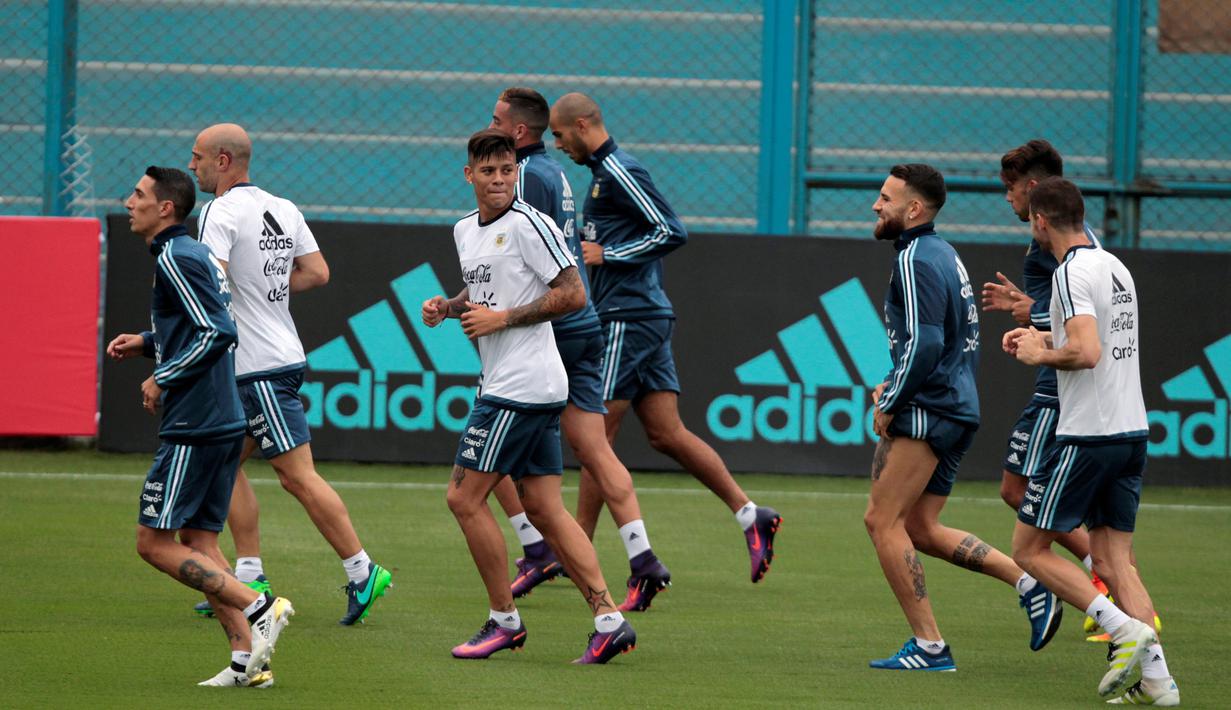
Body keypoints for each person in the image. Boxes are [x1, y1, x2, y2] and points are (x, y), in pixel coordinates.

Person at [548, 92, 781, 584]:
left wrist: (606, 254)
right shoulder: (600, 177)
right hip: (645, 314)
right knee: (665, 433)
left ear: (584, 124)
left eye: (560, 132)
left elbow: (670, 231)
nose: (557, 142)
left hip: (626, 316)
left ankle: (575, 550)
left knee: (595, 436)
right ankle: (749, 514)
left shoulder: (620, 171)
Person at [422, 129, 635, 664]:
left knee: (463, 498)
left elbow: (572, 293)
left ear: (516, 172)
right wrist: (449, 306)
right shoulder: (465, 229)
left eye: (507, 171)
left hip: (522, 385)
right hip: (519, 384)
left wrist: (503, 319)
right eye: (488, 172)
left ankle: (504, 621)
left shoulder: (531, 223)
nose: (499, 181)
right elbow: (490, 285)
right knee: (542, 506)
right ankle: (610, 620)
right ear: (468, 175)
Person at [188, 123, 391, 625]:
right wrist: (265, 291)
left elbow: (207, 283)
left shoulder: (218, 211)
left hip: (257, 367)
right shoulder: (284, 206)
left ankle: (364, 571)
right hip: (279, 356)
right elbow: (317, 272)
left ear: (223, 161)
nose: (191, 165)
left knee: (297, 476)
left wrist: (240, 298)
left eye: (197, 157)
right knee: (224, 464)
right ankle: (250, 574)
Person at [863, 164, 1062, 672]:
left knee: (881, 522)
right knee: (922, 527)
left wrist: (891, 400)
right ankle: (1028, 580)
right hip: (957, 406)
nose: (875, 206)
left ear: (913, 209)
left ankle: (930, 646)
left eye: (885, 198)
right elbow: (940, 341)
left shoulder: (914, 257)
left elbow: (927, 342)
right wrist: (896, 379)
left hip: (929, 409)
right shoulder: (944, 253)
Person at [485, 87, 671, 610]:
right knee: (591, 446)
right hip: (585, 319)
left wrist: (490, 312)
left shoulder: (524, 179)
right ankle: (641, 555)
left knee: (484, 445)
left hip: (551, 328)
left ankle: (534, 547)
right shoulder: (556, 174)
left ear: (518, 131)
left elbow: (521, 258)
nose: (491, 125)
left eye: (497, 119)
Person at [107, 166, 293, 687]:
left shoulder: (175, 258)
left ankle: (260, 607)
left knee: (153, 542)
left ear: (165, 208)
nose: (129, 201)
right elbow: (196, 322)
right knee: (202, 542)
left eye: (138, 194)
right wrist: (147, 341)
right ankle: (246, 662)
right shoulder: (190, 254)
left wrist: (161, 376)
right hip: (220, 417)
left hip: (195, 422)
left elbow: (218, 331)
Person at [1005, 177, 1178, 704]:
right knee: (1111, 563)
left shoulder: (1068, 273)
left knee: (1029, 549)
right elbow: (1092, 339)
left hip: (1089, 435)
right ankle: (1159, 681)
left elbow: (1086, 352)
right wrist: (1040, 337)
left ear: (1040, 221)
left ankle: (1121, 630)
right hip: (1130, 432)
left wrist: (1041, 354)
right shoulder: (1113, 265)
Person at [981, 139, 1101, 584]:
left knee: (1018, 492)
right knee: (1040, 496)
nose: (1007, 197)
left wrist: (1030, 311)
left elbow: (1080, 314)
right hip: (1064, 384)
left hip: (1058, 389)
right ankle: (1107, 575)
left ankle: (1102, 575)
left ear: (1032, 189)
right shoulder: (1082, 241)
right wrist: (1029, 305)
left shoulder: (1063, 249)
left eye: (1010, 187)